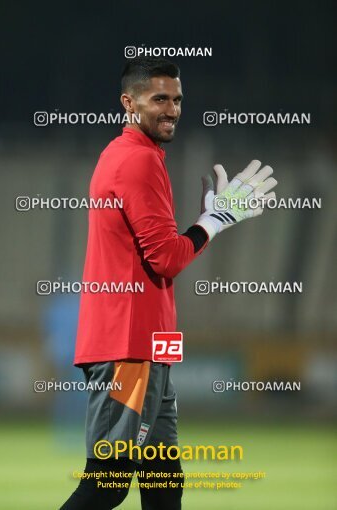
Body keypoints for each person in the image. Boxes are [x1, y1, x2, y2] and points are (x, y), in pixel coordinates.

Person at [60, 57, 277, 510]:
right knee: (107, 483)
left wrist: (209, 221)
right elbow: (166, 259)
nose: (172, 109)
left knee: (163, 482)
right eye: (159, 98)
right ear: (128, 102)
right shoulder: (137, 161)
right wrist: (213, 222)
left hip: (148, 345)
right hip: (129, 347)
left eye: (177, 99)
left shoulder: (129, 156)